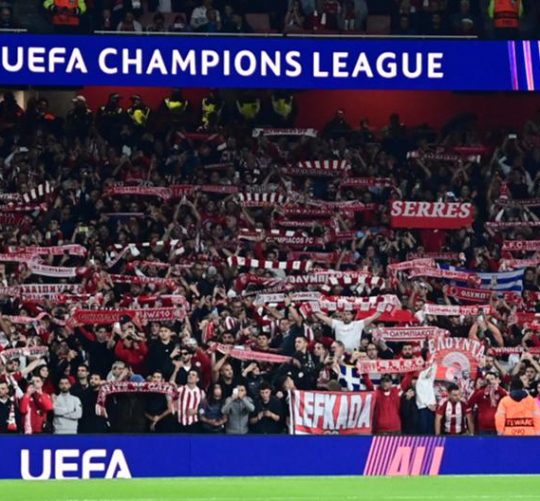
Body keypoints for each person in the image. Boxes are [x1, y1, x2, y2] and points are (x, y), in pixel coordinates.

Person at [315, 308, 382, 354]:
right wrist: (313, 309)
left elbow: (373, 317)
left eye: (348, 314)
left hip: (354, 354)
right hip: (340, 354)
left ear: (352, 316)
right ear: (342, 315)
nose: (346, 316)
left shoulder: (358, 324)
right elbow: (323, 318)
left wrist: (382, 308)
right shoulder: (337, 324)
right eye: (344, 314)